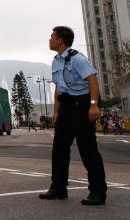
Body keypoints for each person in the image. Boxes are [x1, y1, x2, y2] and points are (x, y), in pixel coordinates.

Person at [39, 25, 108, 206]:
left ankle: (98, 191)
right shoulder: (56, 61)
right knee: (59, 149)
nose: (49, 40)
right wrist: (55, 111)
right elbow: (58, 88)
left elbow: (92, 79)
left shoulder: (77, 58)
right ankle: (58, 188)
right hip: (66, 107)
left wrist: (94, 105)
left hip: (82, 105)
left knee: (88, 149)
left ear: (61, 40)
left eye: (52, 37)